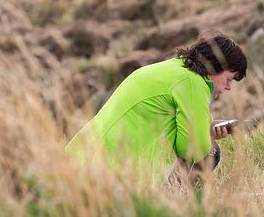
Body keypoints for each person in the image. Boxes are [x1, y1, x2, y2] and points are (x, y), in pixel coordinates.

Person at [66, 32, 247, 184]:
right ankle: (174, 208)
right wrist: (206, 138)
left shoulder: (172, 69)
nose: (229, 87)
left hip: (78, 157)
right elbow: (193, 150)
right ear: (216, 67)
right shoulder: (193, 83)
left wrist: (206, 128)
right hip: (111, 173)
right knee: (210, 154)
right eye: (229, 79)